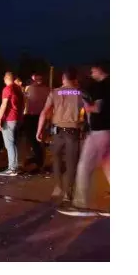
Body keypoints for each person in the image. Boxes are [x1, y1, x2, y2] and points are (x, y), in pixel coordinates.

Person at [60, 63, 110, 217]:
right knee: (109, 168)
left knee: (84, 166)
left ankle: (81, 204)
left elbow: (97, 108)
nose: (92, 73)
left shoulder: (102, 86)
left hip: (99, 131)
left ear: (100, 70)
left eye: (93, 71)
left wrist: (87, 106)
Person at [37, 69, 86, 204]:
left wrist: (39, 130)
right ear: (74, 80)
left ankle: (58, 186)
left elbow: (44, 112)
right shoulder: (80, 93)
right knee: (71, 163)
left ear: (63, 79)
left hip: (57, 132)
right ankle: (68, 193)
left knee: (57, 159)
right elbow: (88, 112)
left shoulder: (55, 92)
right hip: (73, 131)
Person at [0, 72, 24, 176]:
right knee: (14, 143)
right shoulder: (18, 89)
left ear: (6, 78)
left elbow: (4, 104)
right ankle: (15, 166)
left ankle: (12, 168)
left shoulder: (7, 89)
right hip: (17, 118)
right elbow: (23, 104)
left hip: (9, 119)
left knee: (9, 144)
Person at [24, 73, 51, 171]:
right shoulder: (46, 89)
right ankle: (38, 159)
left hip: (35, 116)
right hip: (35, 116)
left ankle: (38, 160)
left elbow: (25, 102)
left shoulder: (30, 89)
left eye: (39, 78)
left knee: (35, 139)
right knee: (37, 139)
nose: (38, 80)